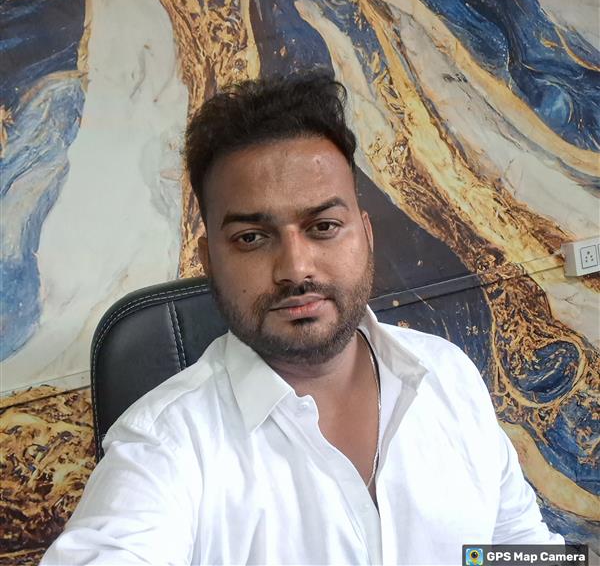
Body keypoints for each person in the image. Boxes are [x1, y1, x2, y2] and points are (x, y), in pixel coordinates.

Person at [42, 71, 563, 565]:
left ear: (365, 235)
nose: (295, 268)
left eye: (323, 226)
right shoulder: (164, 444)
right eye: (251, 237)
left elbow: (515, 545)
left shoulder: (447, 375)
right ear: (209, 262)